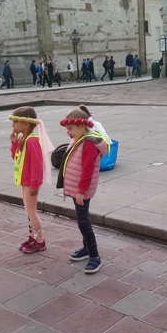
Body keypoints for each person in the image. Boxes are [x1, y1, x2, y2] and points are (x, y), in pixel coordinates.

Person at [57, 107, 110, 274]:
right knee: (82, 219)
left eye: (70, 128)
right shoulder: (79, 138)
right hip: (77, 187)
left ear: (81, 126)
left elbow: (88, 170)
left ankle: (94, 256)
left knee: (83, 222)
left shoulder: (88, 143)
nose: (68, 132)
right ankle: (86, 248)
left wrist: (81, 191)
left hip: (82, 189)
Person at [8, 107, 54, 254]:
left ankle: (40, 240)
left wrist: (35, 184)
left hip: (30, 182)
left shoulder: (32, 141)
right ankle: (32, 236)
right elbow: (16, 157)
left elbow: (37, 164)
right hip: (25, 181)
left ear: (26, 124)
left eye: (15, 121)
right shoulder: (23, 139)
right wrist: (14, 142)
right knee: (28, 210)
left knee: (31, 211)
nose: (12, 125)